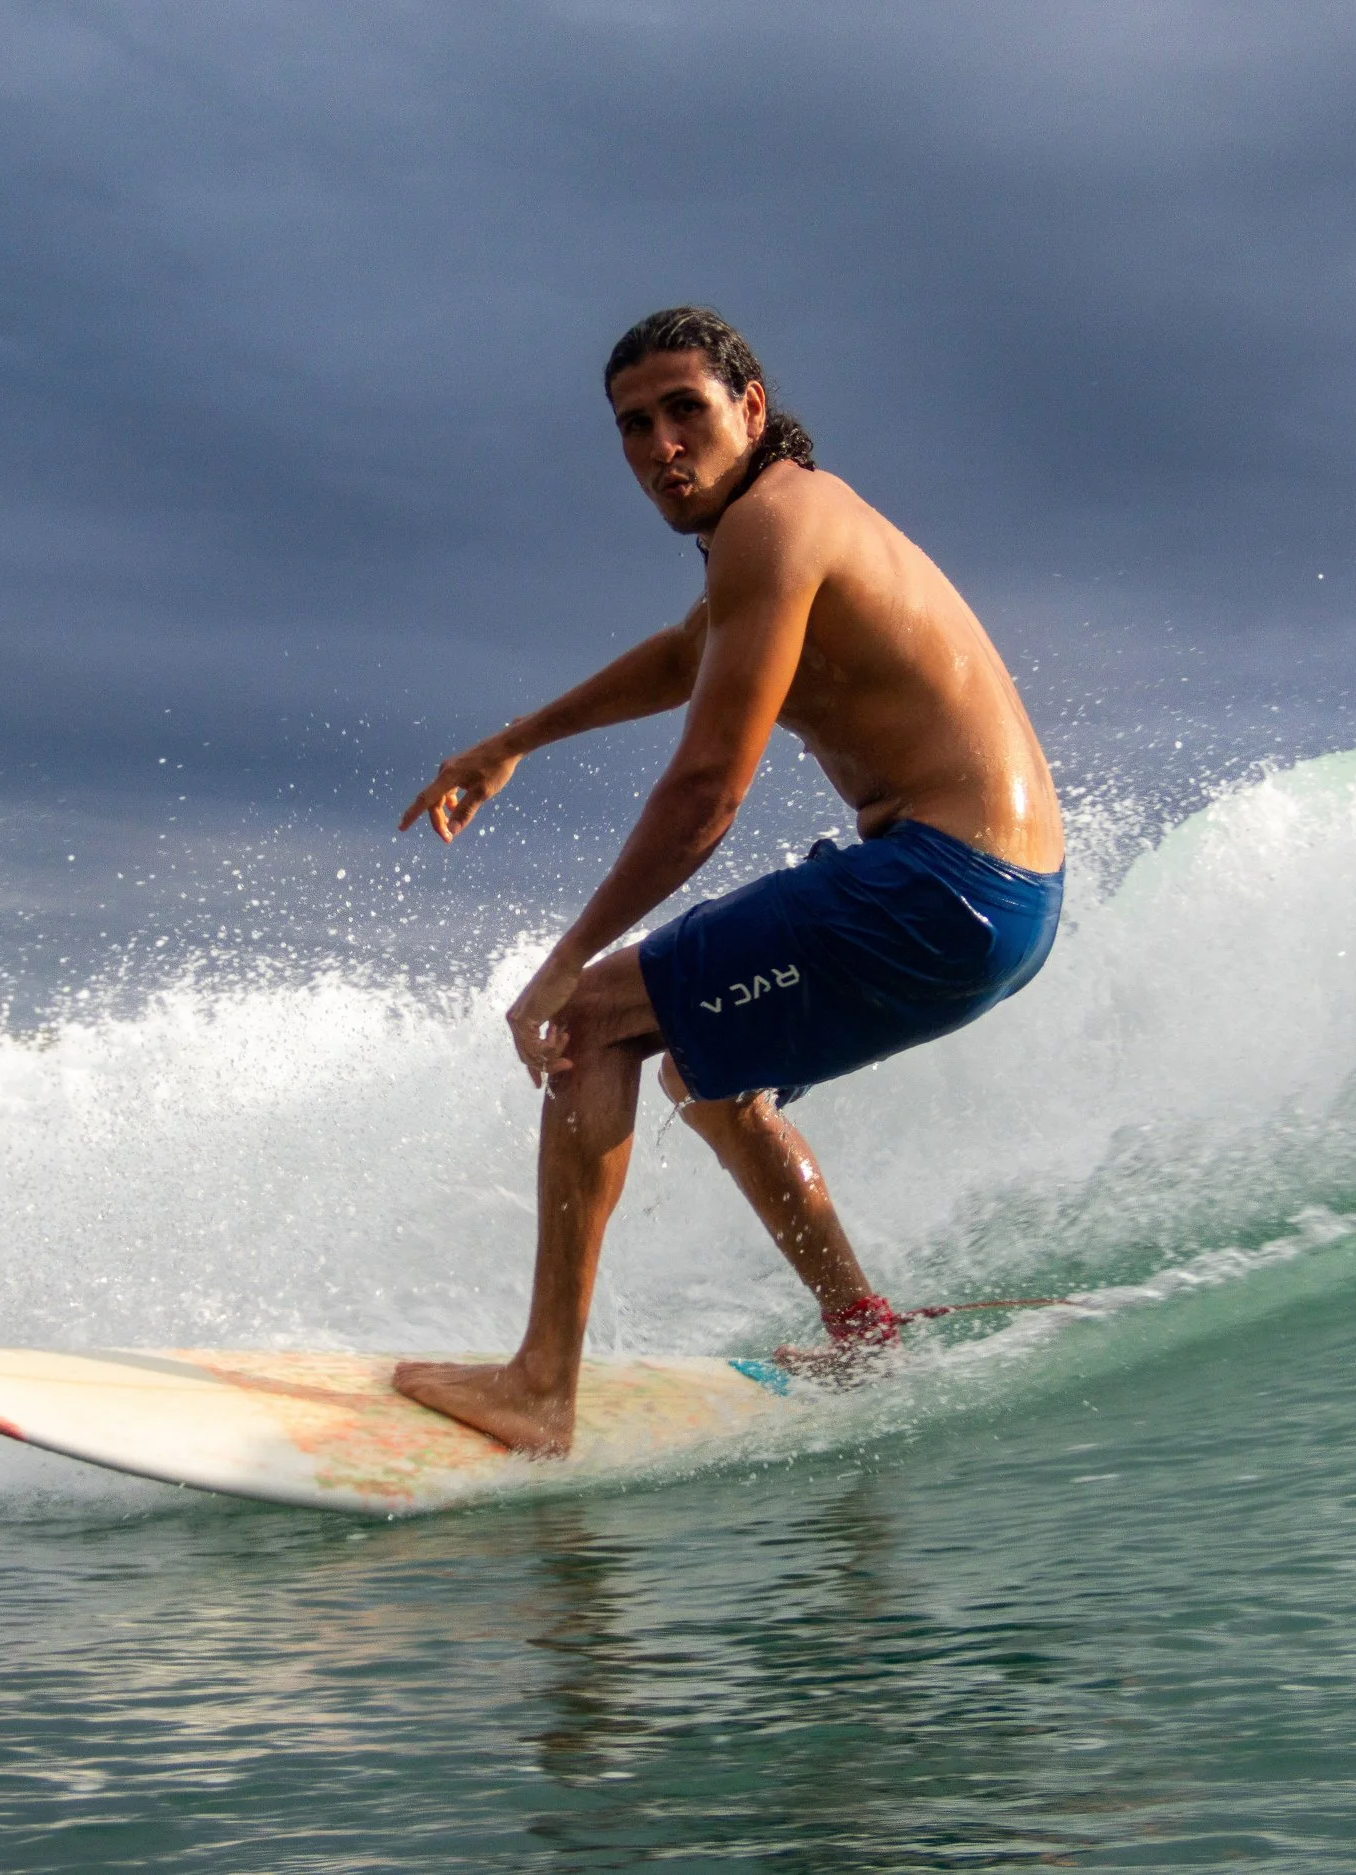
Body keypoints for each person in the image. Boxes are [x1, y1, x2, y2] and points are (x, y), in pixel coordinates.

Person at [393, 306, 1065, 1455]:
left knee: (600, 1023)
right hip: (1002, 898)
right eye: (631, 425)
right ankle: (859, 1327)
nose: (659, 444)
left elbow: (708, 791)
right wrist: (514, 739)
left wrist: (562, 972)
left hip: (941, 884)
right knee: (713, 1081)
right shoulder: (782, 529)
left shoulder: (775, 522)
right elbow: (682, 653)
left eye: (683, 411)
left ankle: (539, 1389)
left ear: (749, 409)